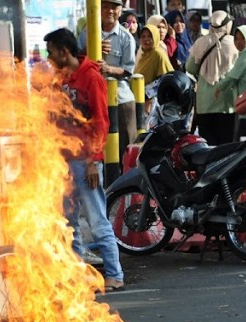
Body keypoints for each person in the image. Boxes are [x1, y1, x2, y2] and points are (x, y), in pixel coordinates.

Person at [44, 28, 125, 292]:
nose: (49, 57)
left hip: (85, 162)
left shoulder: (91, 77)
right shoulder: (60, 80)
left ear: (64, 52)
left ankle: (114, 274)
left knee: (96, 219)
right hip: (64, 162)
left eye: (52, 52)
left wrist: (92, 161)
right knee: (69, 223)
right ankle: (78, 275)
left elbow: (101, 122)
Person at [77, 0, 138, 162]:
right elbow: (76, 60)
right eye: (105, 6)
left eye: (114, 7)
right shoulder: (87, 33)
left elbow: (128, 70)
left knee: (126, 149)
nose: (109, 11)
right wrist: (88, 50)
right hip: (93, 100)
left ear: (120, 10)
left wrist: (108, 69)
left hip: (120, 99)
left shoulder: (126, 37)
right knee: (95, 149)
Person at [186, 10, 238, 145]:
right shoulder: (234, 43)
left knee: (208, 146)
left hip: (204, 102)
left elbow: (190, 68)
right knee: (226, 146)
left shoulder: (200, 42)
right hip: (227, 101)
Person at [135, 23, 174, 113]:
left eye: (150, 36)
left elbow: (165, 78)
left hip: (153, 103)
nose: (146, 40)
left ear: (156, 37)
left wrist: (146, 94)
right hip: (140, 99)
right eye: (143, 36)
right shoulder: (142, 54)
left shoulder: (158, 53)